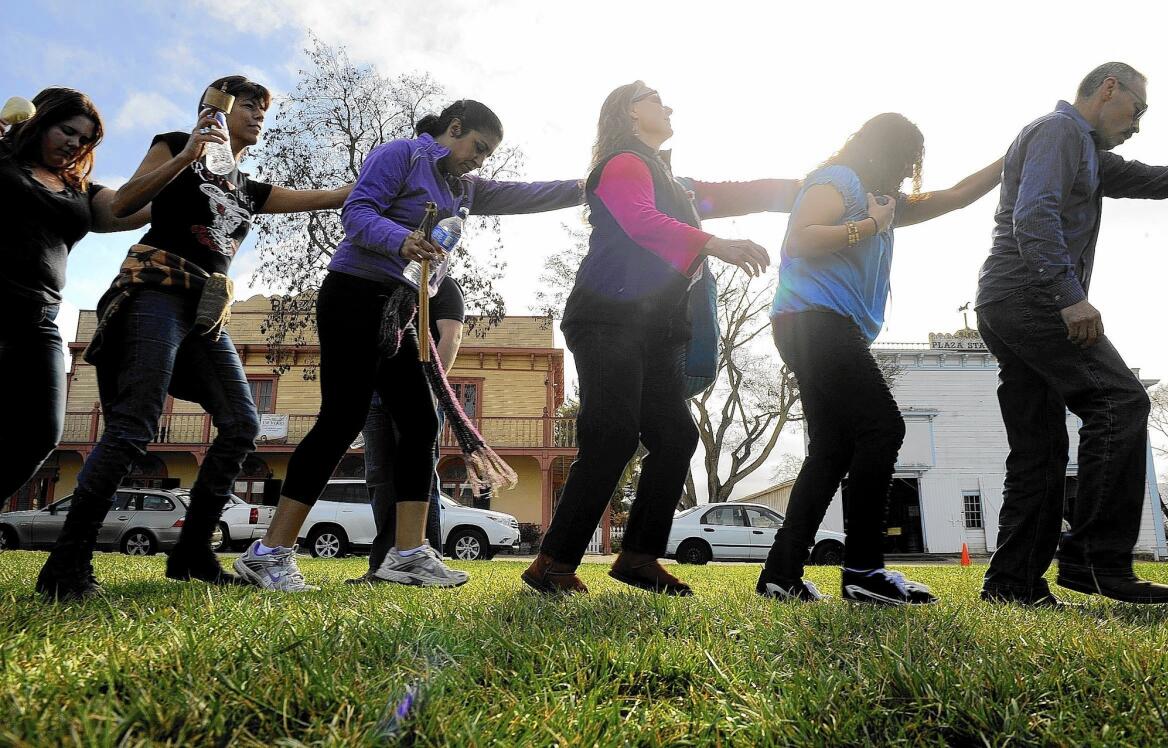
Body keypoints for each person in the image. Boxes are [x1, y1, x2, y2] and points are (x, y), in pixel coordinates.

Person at [235, 99, 583, 592]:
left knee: (421, 421)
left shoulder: (460, 187)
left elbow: (521, 194)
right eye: (478, 148)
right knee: (342, 420)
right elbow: (356, 212)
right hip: (354, 294)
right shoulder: (401, 155)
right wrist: (400, 240)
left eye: (487, 156)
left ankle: (408, 554)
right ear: (454, 128)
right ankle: (268, 553)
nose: (479, 161)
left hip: (397, 311)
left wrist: (587, 188)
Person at [36, 76, 352, 600]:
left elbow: (332, 196)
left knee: (241, 423)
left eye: (262, 110)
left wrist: (382, 184)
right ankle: (67, 562)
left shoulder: (247, 189)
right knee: (134, 423)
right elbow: (122, 205)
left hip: (207, 312)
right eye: (247, 105)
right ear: (216, 108)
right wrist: (188, 154)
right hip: (155, 292)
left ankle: (192, 553)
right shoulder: (173, 144)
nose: (257, 116)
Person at [522, 81, 804, 596]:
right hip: (608, 318)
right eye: (654, 98)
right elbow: (640, 222)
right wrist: (714, 242)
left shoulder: (676, 180)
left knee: (674, 437)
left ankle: (637, 557)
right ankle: (553, 564)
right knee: (613, 433)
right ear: (629, 115)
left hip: (658, 330)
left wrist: (807, 186)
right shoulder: (623, 163)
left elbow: (743, 191)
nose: (668, 104)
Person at [976, 62, 1168, 607]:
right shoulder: (1059, 132)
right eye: (1136, 110)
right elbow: (1035, 213)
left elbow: (1153, 178)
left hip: (1006, 301)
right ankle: (1095, 561)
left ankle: (1013, 584)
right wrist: (1067, 293)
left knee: (1040, 449)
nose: (1137, 124)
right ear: (1108, 88)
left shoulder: (1086, 152)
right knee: (1119, 402)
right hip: (1033, 296)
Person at [758, 113, 1002, 605]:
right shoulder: (839, 182)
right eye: (910, 157)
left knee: (831, 451)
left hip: (824, 325)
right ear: (890, 151)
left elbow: (953, 196)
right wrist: (870, 224)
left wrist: (1010, 159)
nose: (911, 169)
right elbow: (800, 238)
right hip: (814, 320)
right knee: (883, 427)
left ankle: (780, 576)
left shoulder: (884, 201)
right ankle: (865, 570)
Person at [0, 87, 150, 513]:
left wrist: (183, 168)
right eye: (67, 130)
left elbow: (128, 207)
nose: (75, 144)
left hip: (38, 319)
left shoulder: (80, 190)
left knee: (39, 435)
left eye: (85, 140)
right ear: (39, 121)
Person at [347, 274, 465, 585]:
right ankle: (382, 567)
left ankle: (427, 562)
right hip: (373, 394)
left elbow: (450, 337)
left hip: (416, 390)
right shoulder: (382, 285)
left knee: (419, 477)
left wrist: (426, 386)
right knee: (379, 478)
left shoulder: (444, 287)